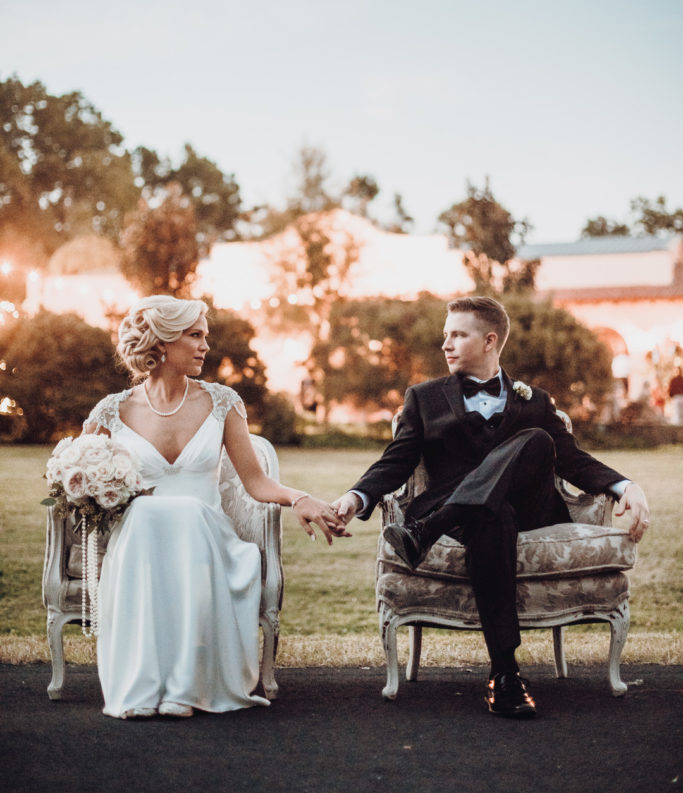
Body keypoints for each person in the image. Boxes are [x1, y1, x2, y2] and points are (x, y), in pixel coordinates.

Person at [332, 296, 650, 719]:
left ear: (489, 340)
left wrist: (626, 485)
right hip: (478, 521)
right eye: (445, 335)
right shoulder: (423, 398)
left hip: (527, 508)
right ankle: (505, 675)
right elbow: (396, 461)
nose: (446, 344)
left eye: (457, 335)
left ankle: (427, 529)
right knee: (489, 515)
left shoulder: (534, 400)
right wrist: (356, 497)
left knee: (538, 439)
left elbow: (573, 459)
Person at [84, 295, 346, 719]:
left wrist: (299, 498)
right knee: (147, 513)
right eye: (196, 335)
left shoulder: (221, 402)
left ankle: (185, 689)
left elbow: (256, 482)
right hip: (141, 548)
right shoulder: (112, 411)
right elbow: (82, 480)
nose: (206, 345)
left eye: (205, 336)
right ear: (163, 342)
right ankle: (141, 688)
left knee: (184, 512)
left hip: (207, 543)